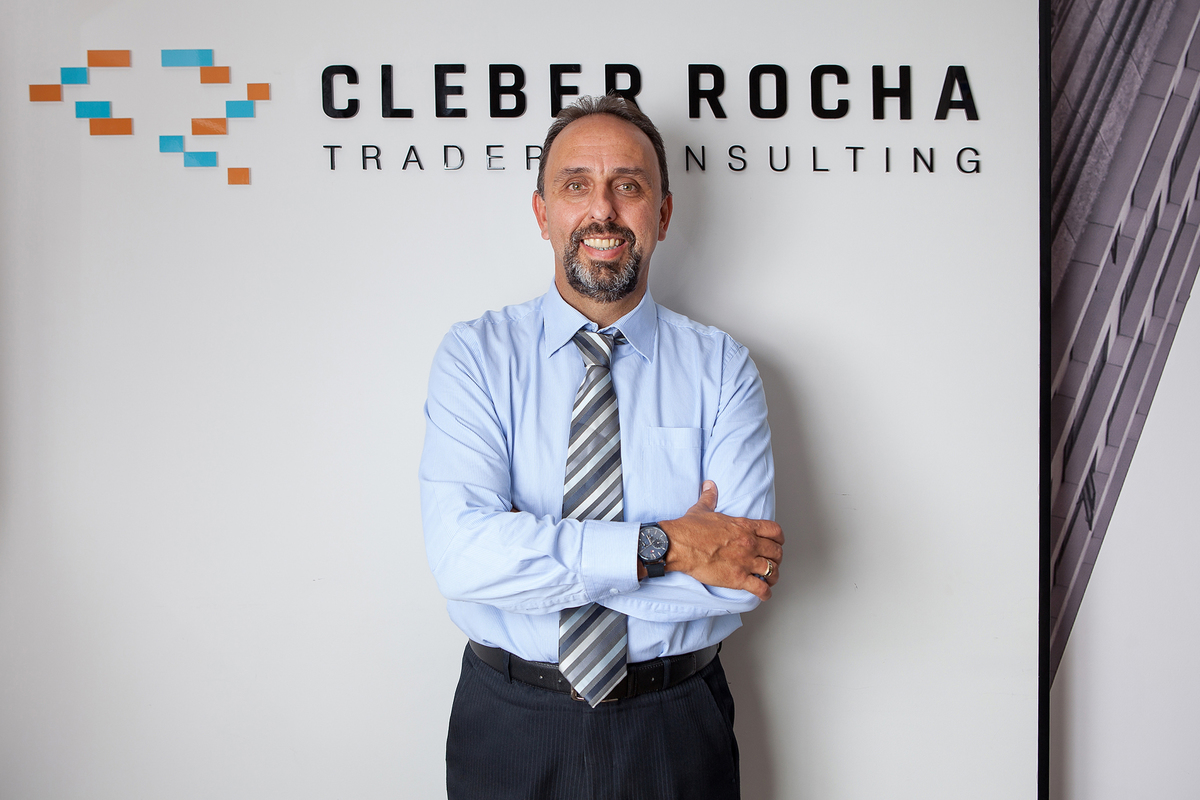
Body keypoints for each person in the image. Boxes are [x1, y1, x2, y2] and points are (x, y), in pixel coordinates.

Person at [420, 94, 783, 799]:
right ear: (542, 212)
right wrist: (666, 545)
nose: (603, 210)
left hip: (675, 725)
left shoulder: (722, 368)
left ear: (663, 215)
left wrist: (532, 560)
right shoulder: (475, 358)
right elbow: (463, 558)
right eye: (576, 185)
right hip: (509, 724)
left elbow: (738, 575)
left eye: (629, 186)